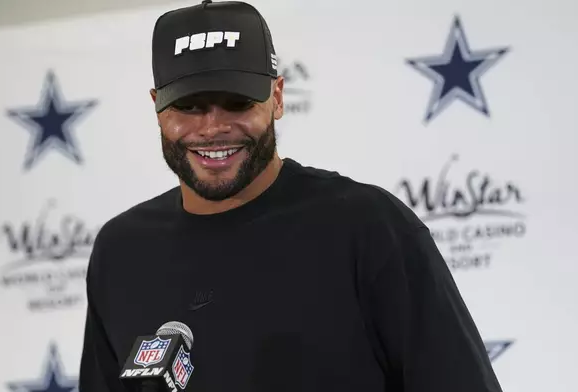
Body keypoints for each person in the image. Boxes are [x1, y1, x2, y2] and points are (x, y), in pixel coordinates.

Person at [78, 1, 504, 391]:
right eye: (188, 107)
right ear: (157, 107)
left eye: (237, 103)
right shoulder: (120, 252)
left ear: (277, 97)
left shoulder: (368, 227)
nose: (211, 128)